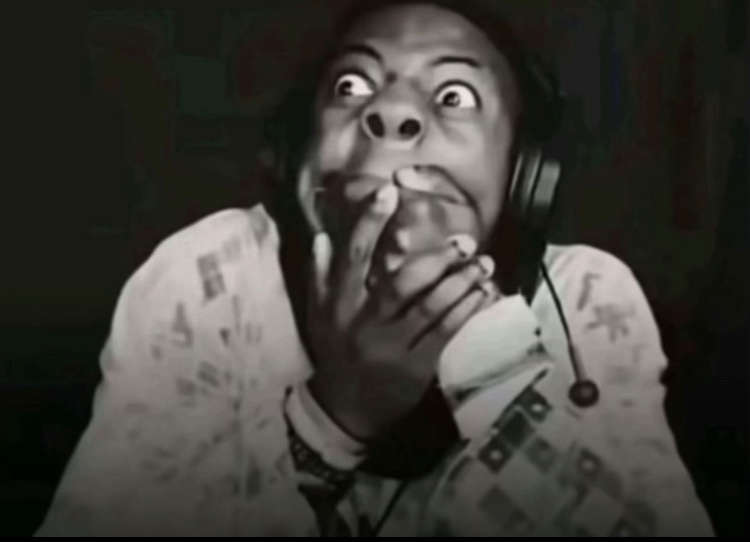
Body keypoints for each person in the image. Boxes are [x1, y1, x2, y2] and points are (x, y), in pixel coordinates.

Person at [36, 1, 713, 536]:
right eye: (351, 85)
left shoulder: (587, 296)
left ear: (524, 177)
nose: (390, 113)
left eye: (454, 96)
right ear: (296, 158)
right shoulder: (208, 275)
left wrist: (486, 351)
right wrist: (335, 416)